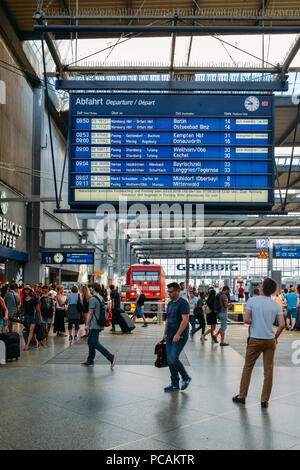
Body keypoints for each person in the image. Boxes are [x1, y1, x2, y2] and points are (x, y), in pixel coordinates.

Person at [232, 277, 285, 408]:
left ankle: (242, 396)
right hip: (270, 340)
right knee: (268, 370)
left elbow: (246, 320)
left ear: (262, 287)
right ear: (273, 291)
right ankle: (264, 400)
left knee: (248, 367)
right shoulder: (276, 304)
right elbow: (282, 325)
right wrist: (275, 337)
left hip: (255, 339)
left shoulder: (252, 301)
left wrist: (255, 322)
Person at [162, 282, 191, 392]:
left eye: (171, 292)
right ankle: (174, 384)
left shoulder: (183, 303)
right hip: (170, 334)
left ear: (178, 291)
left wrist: (178, 334)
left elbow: (185, 320)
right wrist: (165, 333)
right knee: (170, 360)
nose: (169, 294)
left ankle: (186, 378)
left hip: (180, 336)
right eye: (168, 292)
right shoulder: (169, 303)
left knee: (173, 358)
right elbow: (168, 320)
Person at [81, 283, 115, 369]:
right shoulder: (101, 297)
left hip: (94, 324)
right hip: (99, 322)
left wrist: (87, 325)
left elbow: (90, 312)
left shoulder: (93, 299)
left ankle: (110, 357)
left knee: (95, 343)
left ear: (92, 289)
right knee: (90, 342)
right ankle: (90, 361)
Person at [22, 285, 42, 351]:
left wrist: (40, 315)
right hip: (27, 316)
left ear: (30, 290)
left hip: (34, 316)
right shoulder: (24, 299)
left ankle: (27, 345)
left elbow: (38, 307)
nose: (26, 290)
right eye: (25, 289)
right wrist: (23, 316)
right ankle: (36, 342)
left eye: (28, 289)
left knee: (31, 330)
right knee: (31, 330)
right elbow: (24, 308)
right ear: (24, 291)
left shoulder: (34, 298)